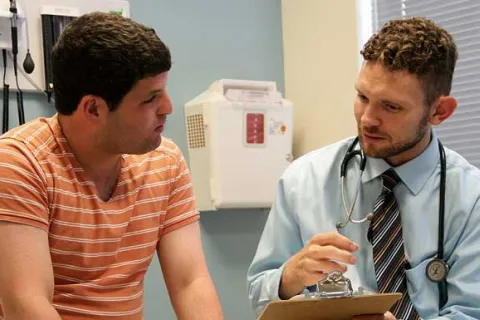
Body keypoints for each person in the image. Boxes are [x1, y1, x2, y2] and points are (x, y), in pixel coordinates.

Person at [247, 16, 480, 320]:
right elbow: (257, 297)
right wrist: (290, 277)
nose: (368, 118)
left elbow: (470, 312)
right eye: (362, 97)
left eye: (391, 106)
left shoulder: (471, 199)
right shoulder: (303, 181)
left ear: (439, 111)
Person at [0, 12, 223, 320]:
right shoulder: (20, 164)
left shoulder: (165, 162)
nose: (168, 108)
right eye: (150, 99)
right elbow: (26, 304)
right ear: (94, 109)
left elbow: (190, 283)